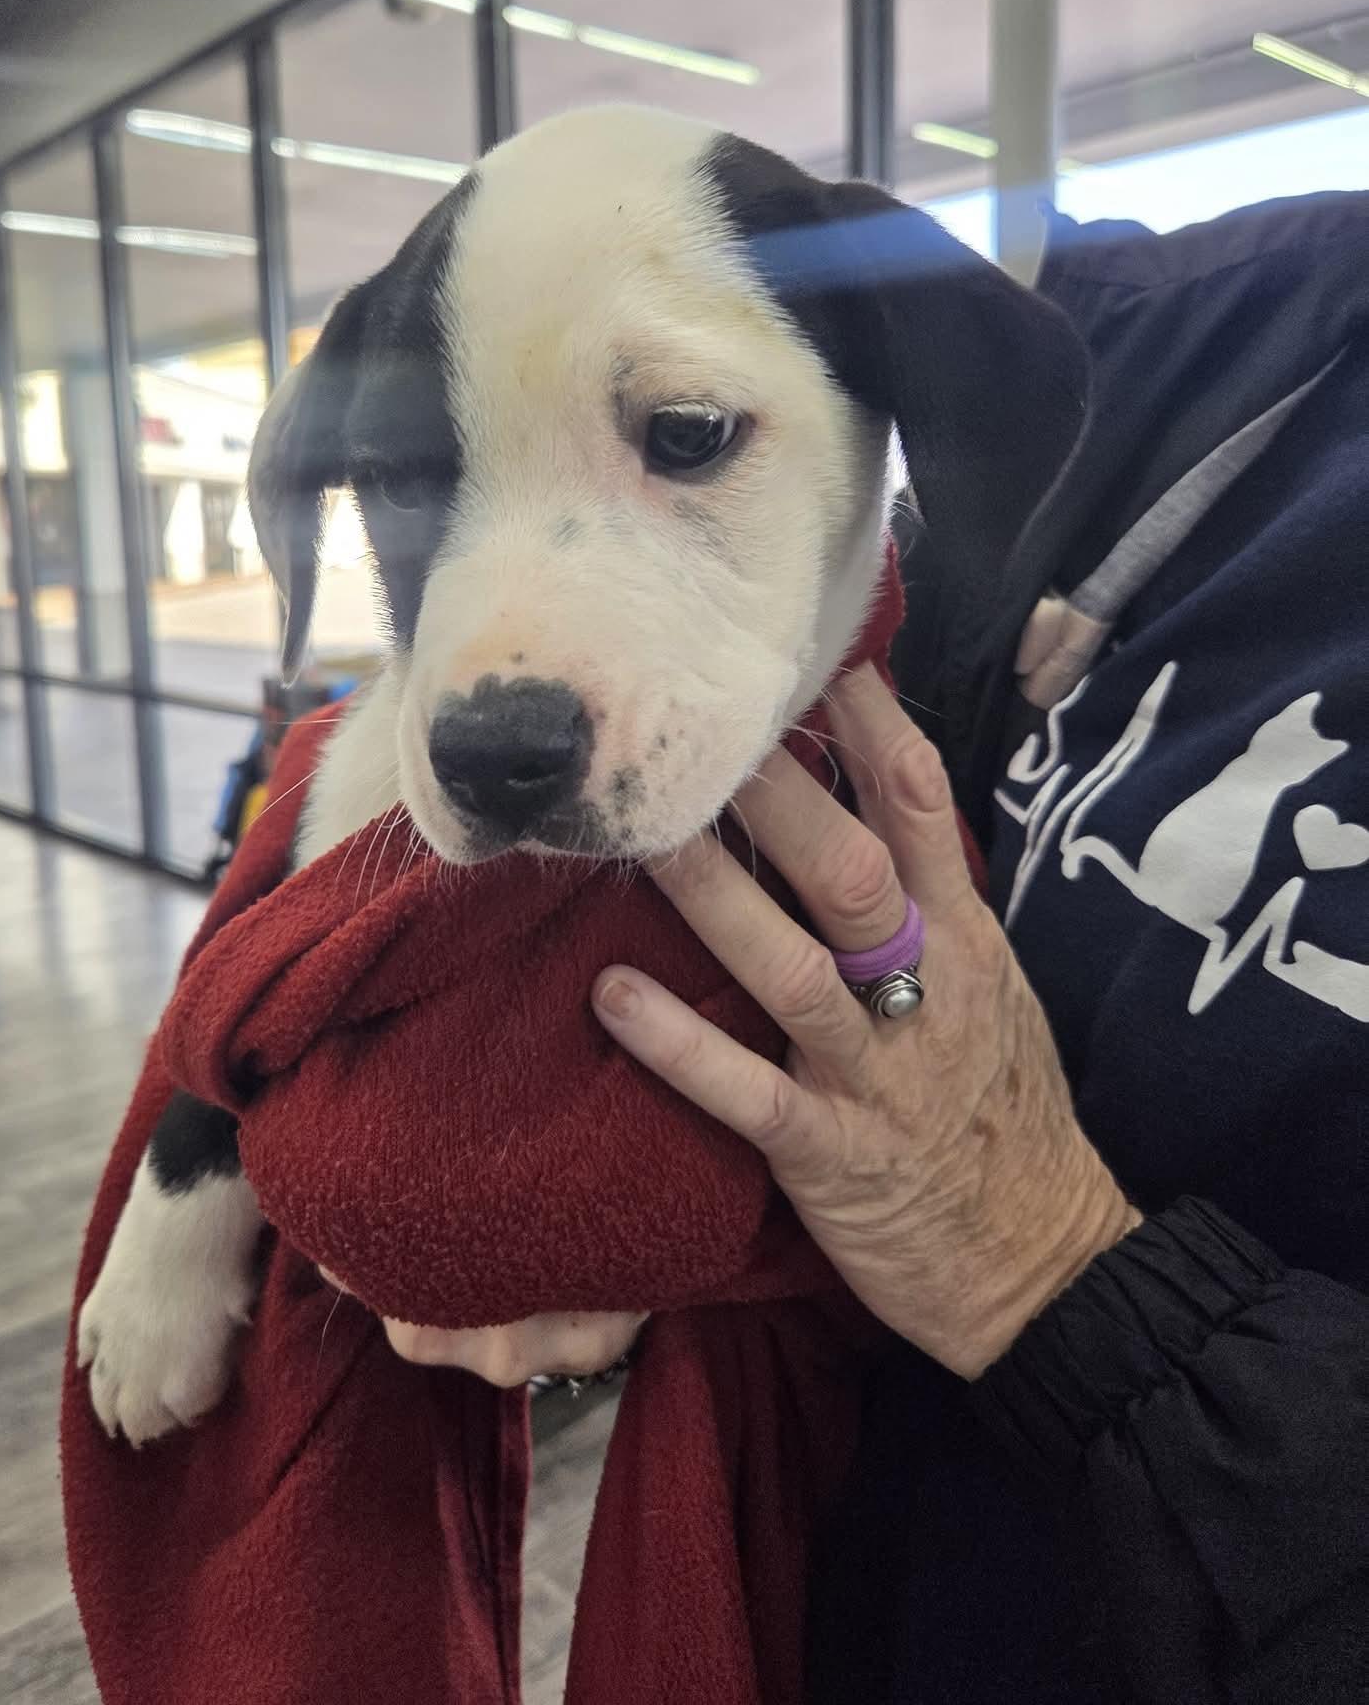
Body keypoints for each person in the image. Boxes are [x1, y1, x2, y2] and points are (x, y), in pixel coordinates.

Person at [347, 190, 1369, 1703]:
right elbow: (845, 792)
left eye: (685, 431)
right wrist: (619, 1169)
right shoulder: (1209, 330)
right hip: (851, 1556)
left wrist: (1052, 1264)